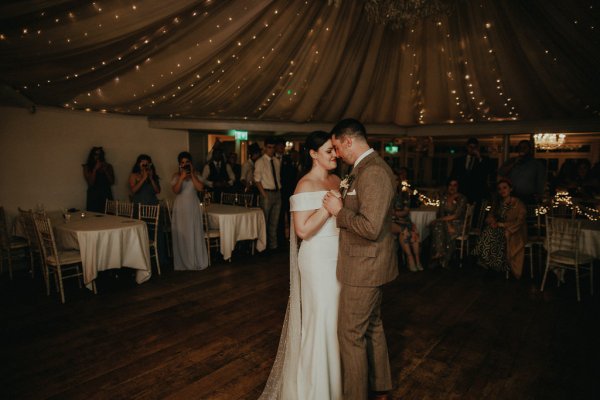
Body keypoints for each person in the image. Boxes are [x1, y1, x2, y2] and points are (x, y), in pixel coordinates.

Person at [259, 131, 342, 399]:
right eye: (329, 150)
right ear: (313, 153)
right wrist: (327, 209)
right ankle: (313, 390)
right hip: (316, 259)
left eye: (335, 150)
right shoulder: (304, 185)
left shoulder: (338, 180)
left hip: (339, 254)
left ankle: (333, 385)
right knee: (320, 320)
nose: (334, 155)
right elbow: (302, 231)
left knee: (335, 321)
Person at [323, 118, 397, 400]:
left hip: (365, 267)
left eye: (337, 147)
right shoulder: (360, 169)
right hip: (366, 263)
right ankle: (380, 389)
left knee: (350, 334)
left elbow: (371, 227)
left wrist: (338, 212)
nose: (337, 153)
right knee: (373, 327)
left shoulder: (374, 172)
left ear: (348, 141)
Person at [473, 179, 527, 278]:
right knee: (489, 231)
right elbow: (489, 216)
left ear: (511, 189)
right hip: (498, 228)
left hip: (514, 230)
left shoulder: (518, 203)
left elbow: (520, 221)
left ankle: (490, 264)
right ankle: (489, 263)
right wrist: (492, 221)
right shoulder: (498, 203)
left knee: (492, 234)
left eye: (504, 188)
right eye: (499, 189)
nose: (502, 190)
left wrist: (501, 225)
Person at [171, 152, 209, 271]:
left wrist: (191, 174)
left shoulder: (196, 174)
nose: (185, 164)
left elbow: (200, 188)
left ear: (191, 163)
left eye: (187, 162)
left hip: (193, 206)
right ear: (179, 165)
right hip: (180, 207)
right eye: (182, 162)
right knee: (182, 233)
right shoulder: (176, 176)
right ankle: (183, 261)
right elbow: (176, 191)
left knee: (194, 231)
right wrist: (182, 177)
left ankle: (195, 260)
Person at [429, 178, 467, 268]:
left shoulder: (462, 198)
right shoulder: (444, 197)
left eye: (455, 185)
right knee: (438, 226)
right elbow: (441, 213)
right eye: (450, 185)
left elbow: (456, 215)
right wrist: (446, 223)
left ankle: (441, 256)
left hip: (457, 224)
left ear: (458, 187)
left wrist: (440, 221)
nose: (452, 187)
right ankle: (441, 254)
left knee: (438, 225)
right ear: (447, 186)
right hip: (445, 222)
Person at [391, 168, 422, 272]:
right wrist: (396, 216)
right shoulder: (386, 194)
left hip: (403, 221)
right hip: (391, 223)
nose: (394, 182)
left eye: (396, 180)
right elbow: (387, 214)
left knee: (413, 232)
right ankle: (410, 259)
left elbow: (406, 211)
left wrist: (395, 214)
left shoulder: (404, 194)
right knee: (404, 230)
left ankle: (417, 260)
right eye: (392, 179)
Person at [254, 137, 282, 251]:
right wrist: (264, 194)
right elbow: (257, 180)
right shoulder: (260, 161)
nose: (271, 150)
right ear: (265, 148)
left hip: (277, 192)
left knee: (274, 222)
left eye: (273, 148)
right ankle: (263, 247)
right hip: (266, 193)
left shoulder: (276, 161)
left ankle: (273, 246)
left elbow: (278, 177)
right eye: (269, 147)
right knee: (264, 222)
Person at [498, 139, 546, 204]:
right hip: (512, 196)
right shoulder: (511, 161)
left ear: (530, 149)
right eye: (520, 147)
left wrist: (539, 195)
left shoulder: (536, 164)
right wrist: (514, 163)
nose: (522, 149)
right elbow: (501, 173)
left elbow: (541, 181)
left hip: (529, 198)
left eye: (524, 147)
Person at [450, 137, 494, 205]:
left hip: (477, 192)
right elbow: (453, 175)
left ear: (478, 148)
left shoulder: (484, 160)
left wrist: (479, 157)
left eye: (474, 147)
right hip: (462, 191)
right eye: (470, 147)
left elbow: (487, 172)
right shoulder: (459, 160)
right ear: (467, 147)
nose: (472, 149)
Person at [83, 146, 115, 212]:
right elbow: (91, 183)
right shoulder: (87, 167)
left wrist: (105, 170)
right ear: (92, 155)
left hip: (106, 194)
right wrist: (95, 169)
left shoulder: (108, 166)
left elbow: (112, 182)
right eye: (96, 154)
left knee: (109, 216)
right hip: (94, 195)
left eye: (100, 155)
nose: (98, 157)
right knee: (94, 217)